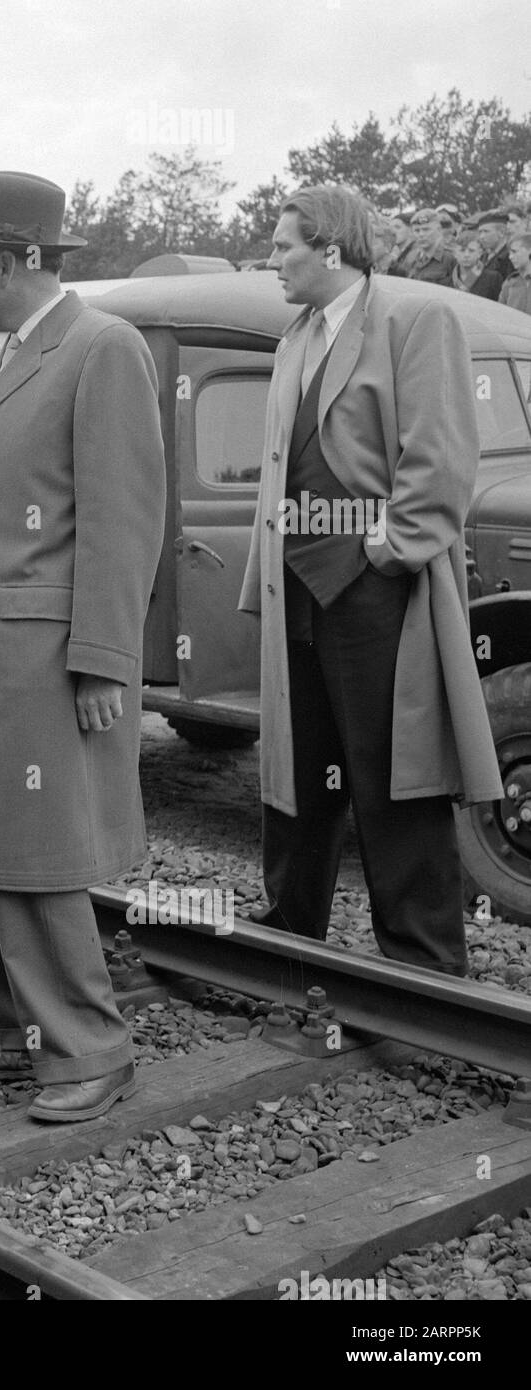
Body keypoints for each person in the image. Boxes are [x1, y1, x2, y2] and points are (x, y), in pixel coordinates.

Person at [0, 171, 165, 1120]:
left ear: (19, 261)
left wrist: (105, 658)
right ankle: (26, 1034)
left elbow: (124, 516)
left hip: (41, 657)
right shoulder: (24, 347)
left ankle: (90, 1051)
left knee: (39, 857)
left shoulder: (100, 347)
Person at [241, 184, 502, 976]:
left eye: (285, 245)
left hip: (377, 593)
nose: (273, 260)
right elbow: (278, 477)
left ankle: (423, 965)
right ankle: (290, 930)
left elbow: (443, 459)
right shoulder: (293, 339)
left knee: (396, 776)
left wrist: (386, 551)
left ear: (330, 247)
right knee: (295, 759)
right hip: (300, 587)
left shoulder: (417, 320)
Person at [406, 209, 457, 285]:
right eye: (417, 231)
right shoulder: (411, 257)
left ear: (439, 230)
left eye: (426, 229)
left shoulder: (450, 258)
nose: (421, 234)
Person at [452, 230, 503, 300]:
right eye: (462, 250)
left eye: (471, 250)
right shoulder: (447, 282)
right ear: (455, 253)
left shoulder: (493, 279)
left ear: (480, 253)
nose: (466, 255)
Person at [498, 235, 531, 315]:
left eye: (514, 251)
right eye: (509, 253)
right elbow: (499, 313)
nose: (510, 257)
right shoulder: (510, 282)